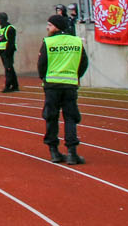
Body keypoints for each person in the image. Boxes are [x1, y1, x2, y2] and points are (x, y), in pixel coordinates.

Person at [37, 14, 88, 164]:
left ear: (57, 26)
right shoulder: (77, 42)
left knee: (51, 117)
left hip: (52, 85)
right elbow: (84, 62)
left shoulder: (48, 42)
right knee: (71, 118)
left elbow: (42, 63)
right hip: (70, 85)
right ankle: (72, 153)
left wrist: (44, 78)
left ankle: (54, 152)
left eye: (50, 25)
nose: (48, 27)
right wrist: (75, 76)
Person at [0, 12, 18, 92]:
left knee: (8, 69)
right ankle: (15, 85)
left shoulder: (10, 28)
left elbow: (11, 42)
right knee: (10, 68)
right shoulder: (1, 28)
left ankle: (8, 86)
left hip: (8, 52)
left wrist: (7, 53)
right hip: (2, 52)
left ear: (2, 20)